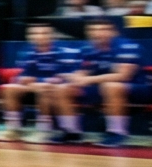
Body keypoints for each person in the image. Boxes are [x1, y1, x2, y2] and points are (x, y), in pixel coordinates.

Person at [57, 17, 141, 146]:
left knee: (111, 86)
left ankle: (117, 132)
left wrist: (89, 79)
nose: (97, 33)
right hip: (101, 87)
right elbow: (84, 71)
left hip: (137, 86)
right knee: (62, 89)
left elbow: (124, 76)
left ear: (113, 32)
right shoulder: (88, 48)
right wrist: (75, 77)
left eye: (102, 29)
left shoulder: (126, 45)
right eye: (92, 30)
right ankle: (71, 132)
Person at [0, 19, 77, 140]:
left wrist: (37, 81)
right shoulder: (26, 53)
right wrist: (26, 81)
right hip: (37, 87)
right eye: (34, 34)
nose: (38, 37)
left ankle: (45, 130)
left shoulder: (65, 52)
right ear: (29, 36)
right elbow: (22, 77)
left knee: (43, 87)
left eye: (43, 33)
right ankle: (14, 129)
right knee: (9, 89)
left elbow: (66, 78)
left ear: (52, 35)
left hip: (63, 89)